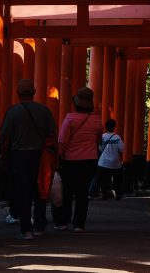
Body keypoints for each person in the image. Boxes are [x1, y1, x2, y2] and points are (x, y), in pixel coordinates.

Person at [0, 78, 57, 240]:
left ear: (17, 93)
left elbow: (4, 138)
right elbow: (52, 134)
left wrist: (3, 157)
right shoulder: (44, 111)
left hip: (19, 156)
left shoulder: (12, 112)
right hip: (40, 156)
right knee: (40, 189)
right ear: (34, 92)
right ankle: (39, 226)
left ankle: (26, 230)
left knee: (23, 192)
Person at [54, 87, 103, 232]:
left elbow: (62, 141)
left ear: (76, 103)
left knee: (67, 192)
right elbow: (98, 140)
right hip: (89, 160)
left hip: (70, 160)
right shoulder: (97, 120)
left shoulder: (70, 119)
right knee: (82, 192)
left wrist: (58, 156)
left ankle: (63, 221)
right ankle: (79, 224)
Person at [96, 118, 125, 200]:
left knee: (103, 179)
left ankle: (104, 194)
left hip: (104, 162)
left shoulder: (103, 137)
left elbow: (100, 148)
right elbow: (122, 148)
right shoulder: (117, 137)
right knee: (117, 179)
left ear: (106, 127)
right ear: (114, 127)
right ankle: (118, 194)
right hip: (115, 162)